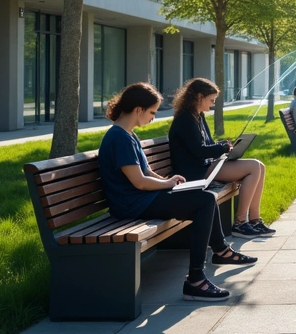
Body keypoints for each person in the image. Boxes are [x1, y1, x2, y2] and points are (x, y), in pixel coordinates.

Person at [98, 82, 253, 303]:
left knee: (205, 198)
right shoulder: (119, 138)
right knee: (204, 201)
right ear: (139, 110)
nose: (153, 118)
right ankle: (197, 278)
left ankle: (216, 255)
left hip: (141, 199)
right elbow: (140, 182)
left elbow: (146, 172)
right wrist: (168, 185)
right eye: (152, 112)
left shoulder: (127, 134)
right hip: (132, 204)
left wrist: (168, 181)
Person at [168, 78, 275, 239]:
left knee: (259, 166)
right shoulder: (185, 119)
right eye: (211, 100)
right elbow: (198, 151)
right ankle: (240, 223)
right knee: (253, 167)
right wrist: (222, 148)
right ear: (199, 97)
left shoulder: (197, 116)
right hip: (194, 172)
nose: (213, 104)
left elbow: (208, 144)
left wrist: (223, 146)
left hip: (205, 166)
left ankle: (254, 220)